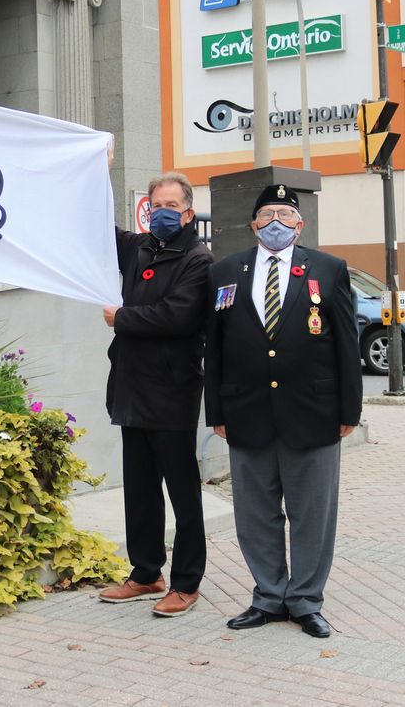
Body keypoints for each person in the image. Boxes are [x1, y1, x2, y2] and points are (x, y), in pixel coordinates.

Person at [205, 184, 362, 638]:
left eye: (286, 214)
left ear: (300, 223)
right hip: (246, 411)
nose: (277, 221)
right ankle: (269, 597)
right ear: (253, 224)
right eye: (267, 214)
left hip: (314, 412)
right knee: (255, 513)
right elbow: (213, 348)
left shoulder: (329, 270)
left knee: (312, 514)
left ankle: (306, 600)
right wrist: (216, 408)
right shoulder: (227, 271)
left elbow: (347, 345)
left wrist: (349, 407)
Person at [99, 171, 212, 617]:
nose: (162, 213)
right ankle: (146, 573)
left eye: (171, 206)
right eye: (155, 205)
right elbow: (96, 228)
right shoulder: (140, 246)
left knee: (183, 493)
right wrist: (99, 169)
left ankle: (186, 583)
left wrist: (123, 318)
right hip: (132, 388)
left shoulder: (198, 260)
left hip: (172, 392)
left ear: (187, 212)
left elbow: (178, 317)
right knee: (141, 489)